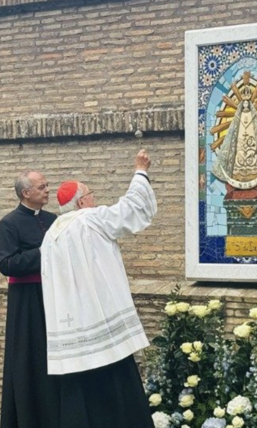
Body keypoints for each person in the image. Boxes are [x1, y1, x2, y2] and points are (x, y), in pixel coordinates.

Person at [39, 149, 156, 428]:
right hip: (98, 319)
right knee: (114, 380)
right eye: (91, 194)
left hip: (71, 325)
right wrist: (140, 171)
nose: (94, 198)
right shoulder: (89, 219)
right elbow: (131, 209)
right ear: (82, 202)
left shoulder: (50, 236)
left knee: (80, 388)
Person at [0, 170, 60, 428]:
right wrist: (44, 252)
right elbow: (7, 264)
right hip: (26, 301)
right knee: (28, 359)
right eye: (42, 187)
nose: (48, 190)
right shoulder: (9, 224)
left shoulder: (53, 220)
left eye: (47, 185)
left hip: (54, 297)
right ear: (26, 193)